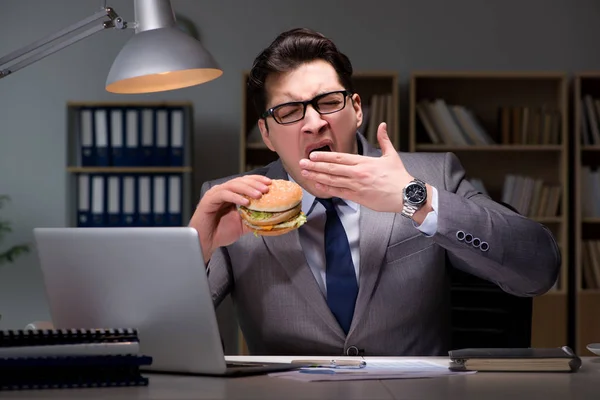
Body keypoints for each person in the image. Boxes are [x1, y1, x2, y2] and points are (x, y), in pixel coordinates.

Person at [188, 27, 561, 356]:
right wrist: (197, 245)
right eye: (289, 111)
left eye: (329, 102)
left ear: (356, 110)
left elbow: (540, 268)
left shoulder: (432, 176)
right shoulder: (234, 203)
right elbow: (163, 338)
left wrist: (417, 199)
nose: (315, 123)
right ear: (266, 134)